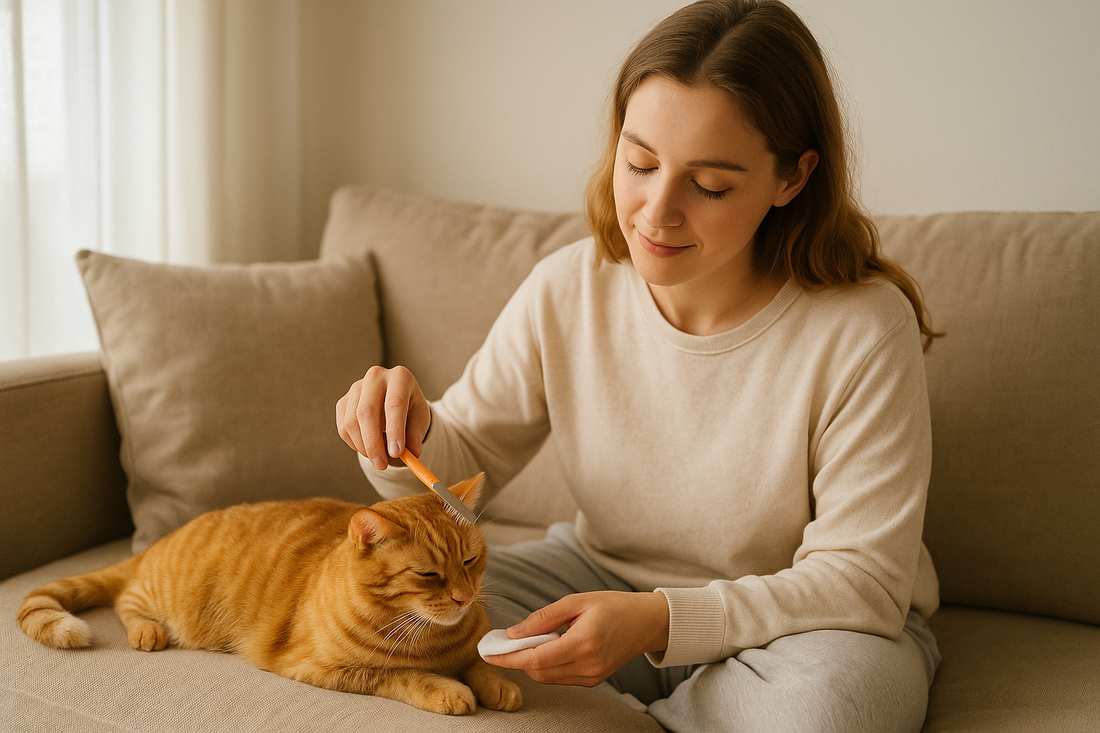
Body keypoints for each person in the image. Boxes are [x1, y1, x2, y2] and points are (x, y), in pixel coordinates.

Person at [336, 1, 942, 730]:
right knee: (390, 619)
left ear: (792, 178)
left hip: (804, 624)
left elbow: (863, 580)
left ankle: (614, 713)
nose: (656, 211)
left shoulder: (863, 327)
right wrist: (404, 432)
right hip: (596, 580)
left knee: (838, 708)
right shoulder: (570, 285)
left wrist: (660, 622)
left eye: (709, 184)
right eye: (640, 162)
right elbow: (460, 465)